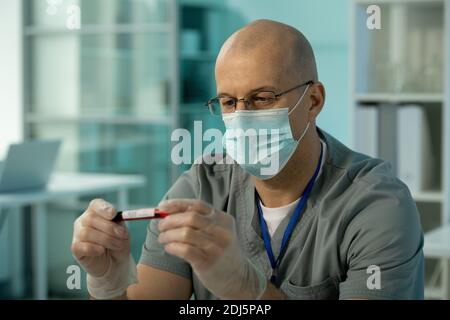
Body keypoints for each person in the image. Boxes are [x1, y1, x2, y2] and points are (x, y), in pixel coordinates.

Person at [71, 19, 424, 300]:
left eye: (261, 98)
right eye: (228, 102)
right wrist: (108, 282)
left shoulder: (376, 205)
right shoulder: (199, 188)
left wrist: (246, 289)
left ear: (313, 100)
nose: (241, 116)